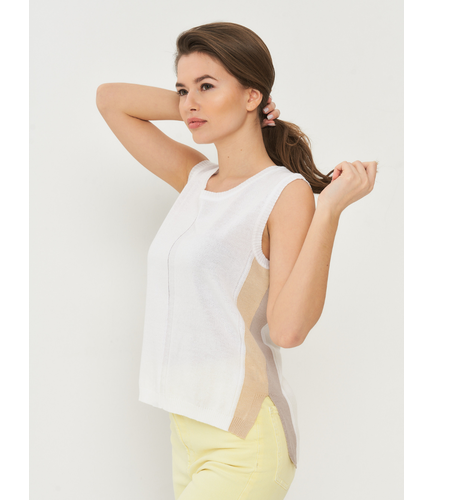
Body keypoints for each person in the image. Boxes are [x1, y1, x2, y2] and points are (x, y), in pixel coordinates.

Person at [96, 21, 377, 500]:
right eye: (183, 90)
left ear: (252, 95)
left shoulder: (283, 193)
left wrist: (328, 211)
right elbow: (110, 99)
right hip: (186, 432)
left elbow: (288, 330)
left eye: (207, 86)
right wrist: (199, 104)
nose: (189, 102)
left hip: (244, 441)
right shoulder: (195, 178)